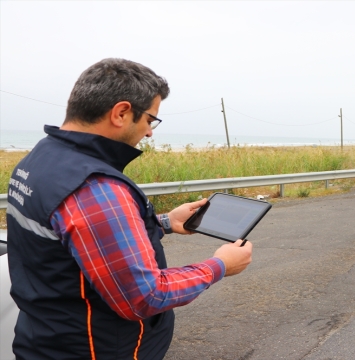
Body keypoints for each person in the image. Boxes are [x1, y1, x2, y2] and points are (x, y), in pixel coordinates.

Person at [6, 58, 253, 360]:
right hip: (99, 348)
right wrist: (220, 266)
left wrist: (164, 222)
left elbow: (74, 236)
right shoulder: (93, 186)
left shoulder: (41, 158)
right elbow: (144, 296)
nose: (150, 132)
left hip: (45, 339)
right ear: (121, 112)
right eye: (150, 119)